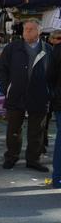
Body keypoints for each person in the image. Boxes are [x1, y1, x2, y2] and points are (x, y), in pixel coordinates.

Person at [0, 19, 51, 171]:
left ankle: (33, 160)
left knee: (37, 131)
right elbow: (1, 68)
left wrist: (50, 91)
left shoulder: (47, 49)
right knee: (13, 129)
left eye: (31, 29)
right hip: (16, 94)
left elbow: (54, 73)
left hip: (39, 95)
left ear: (39, 32)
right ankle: (11, 157)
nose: (26, 31)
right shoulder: (12, 48)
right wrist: (5, 87)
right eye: (25, 29)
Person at [47, 37, 61, 188]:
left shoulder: (57, 50)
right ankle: (58, 178)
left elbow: (49, 76)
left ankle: (58, 178)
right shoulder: (57, 50)